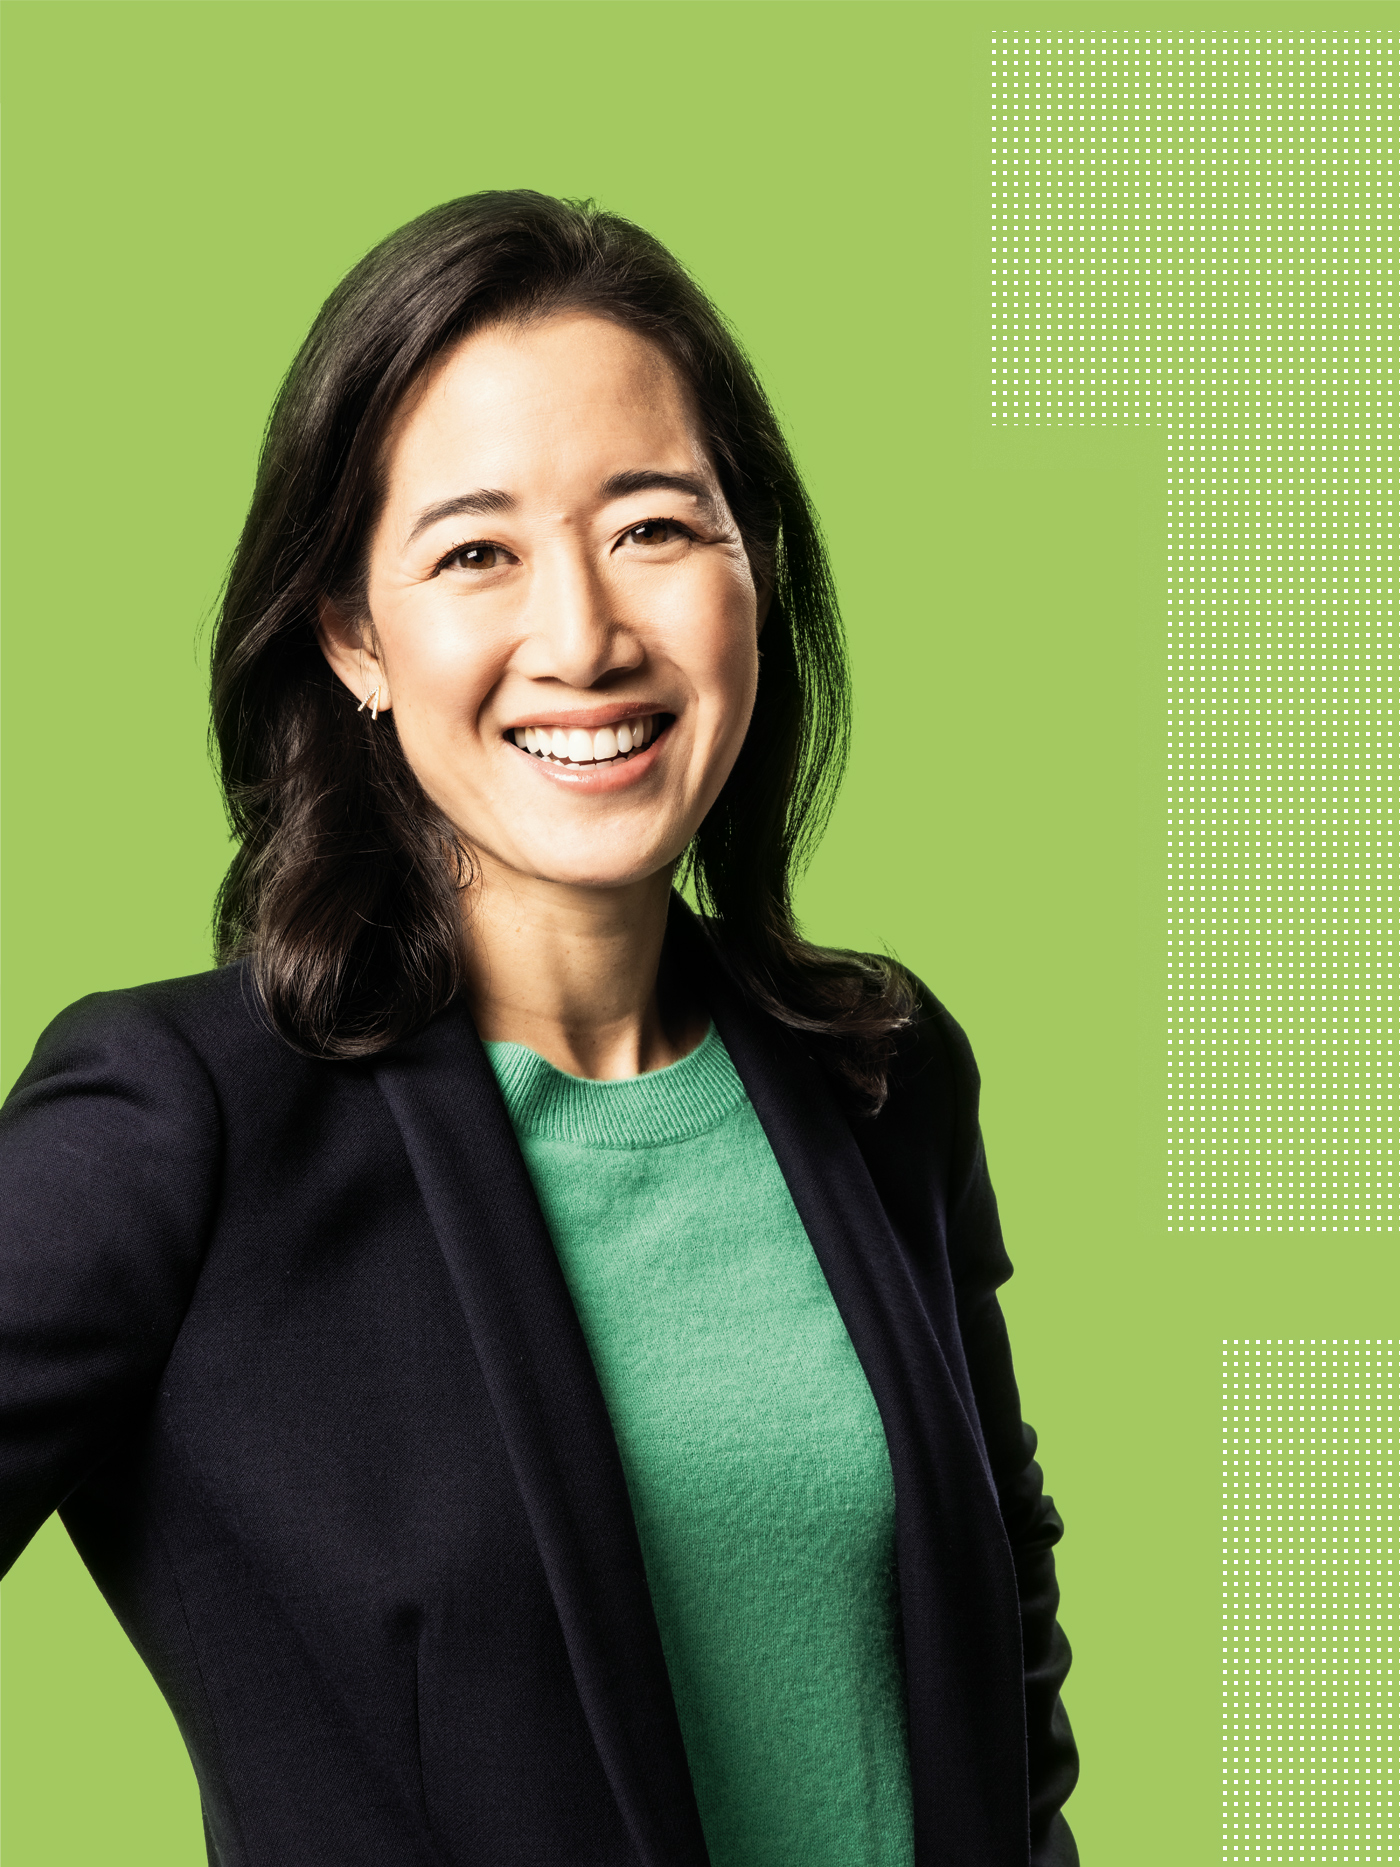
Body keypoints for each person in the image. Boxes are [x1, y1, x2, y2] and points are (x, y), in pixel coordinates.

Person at [0, 192, 1077, 1867]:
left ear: (754, 568)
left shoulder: (883, 1073)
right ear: (354, 636)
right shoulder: (178, 1123)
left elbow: (999, 1669)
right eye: (474, 553)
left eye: (655, 525)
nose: (581, 637)